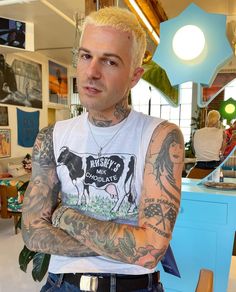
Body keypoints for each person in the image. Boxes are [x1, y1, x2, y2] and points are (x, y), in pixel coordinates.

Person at [21, 6, 184, 292]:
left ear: (134, 76)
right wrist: (128, 243)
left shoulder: (160, 137)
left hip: (134, 287)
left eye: (109, 62)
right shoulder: (52, 137)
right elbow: (34, 234)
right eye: (86, 56)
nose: (91, 72)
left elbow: (151, 251)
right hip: (63, 284)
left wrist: (64, 216)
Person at [187, 110, 227, 178]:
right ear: (218, 120)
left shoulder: (196, 132)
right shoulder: (222, 133)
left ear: (207, 119)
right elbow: (222, 152)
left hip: (198, 166)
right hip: (214, 167)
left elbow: (194, 151)